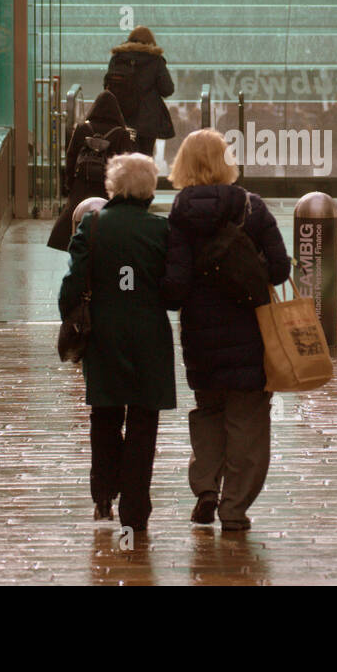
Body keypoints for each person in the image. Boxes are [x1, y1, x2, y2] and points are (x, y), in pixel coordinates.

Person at [162, 129, 290, 531]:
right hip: (250, 331)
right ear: (225, 161)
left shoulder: (179, 216)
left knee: (209, 411)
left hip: (200, 335)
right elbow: (281, 267)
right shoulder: (252, 208)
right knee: (248, 419)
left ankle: (205, 491)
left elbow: (174, 289)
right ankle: (234, 508)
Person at [58, 154, 175, 530]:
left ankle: (104, 495)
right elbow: (173, 290)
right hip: (149, 336)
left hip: (104, 335)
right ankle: (135, 508)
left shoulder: (92, 225)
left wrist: (73, 317)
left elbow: (71, 285)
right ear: (149, 188)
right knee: (143, 418)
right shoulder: (161, 229)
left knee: (105, 415)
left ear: (113, 186)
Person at [49, 91, 133, 252]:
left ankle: (75, 250)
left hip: (83, 184)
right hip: (108, 186)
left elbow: (71, 156)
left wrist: (70, 183)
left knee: (73, 218)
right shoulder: (122, 134)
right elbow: (127, 164)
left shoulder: (82, 128)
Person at [103, 25, 174, 157]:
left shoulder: (117, 58)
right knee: (144, 158)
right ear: (151, 42)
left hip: (121, 117)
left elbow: (107, 86)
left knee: (122, 156)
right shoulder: (155, 60)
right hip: (148, 120)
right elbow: (167, 89)